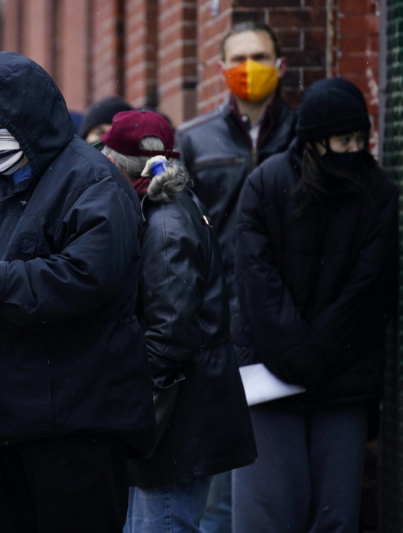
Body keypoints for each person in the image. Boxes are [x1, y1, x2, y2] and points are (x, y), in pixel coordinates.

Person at [0, 51, 155, 532]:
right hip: (4, 415)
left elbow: (84, 277)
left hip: (75, 418)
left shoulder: (92, 181)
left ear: (21, 120)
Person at [231, 78, 398, 532]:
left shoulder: (377, 192)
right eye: (344, 140)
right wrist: (303, 354)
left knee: (334, 515)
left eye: (361, 139)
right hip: (275, 382)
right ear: (315, 139)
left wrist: (308, 354)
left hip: (336, 384)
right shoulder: (266, 185)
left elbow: (368, 290)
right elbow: (255, 282)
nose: (355, 149)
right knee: (266, 516)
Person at [99, 109, 256, 532]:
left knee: (162, 524)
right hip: (176, 414)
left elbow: (170, 336)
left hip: (175, 422)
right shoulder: (164, 208)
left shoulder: (163, 220)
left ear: (115, 162)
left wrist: (128, 394)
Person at [174, 21, 296, 530]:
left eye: (261, 57)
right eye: (240, 58)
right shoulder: (194, 140)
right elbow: (180, 237)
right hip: (220, 327)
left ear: (281, 65)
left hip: (288, 322)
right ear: (221, 69)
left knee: (282, 482)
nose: (251, 69)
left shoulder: (302, 133)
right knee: (221, 488)